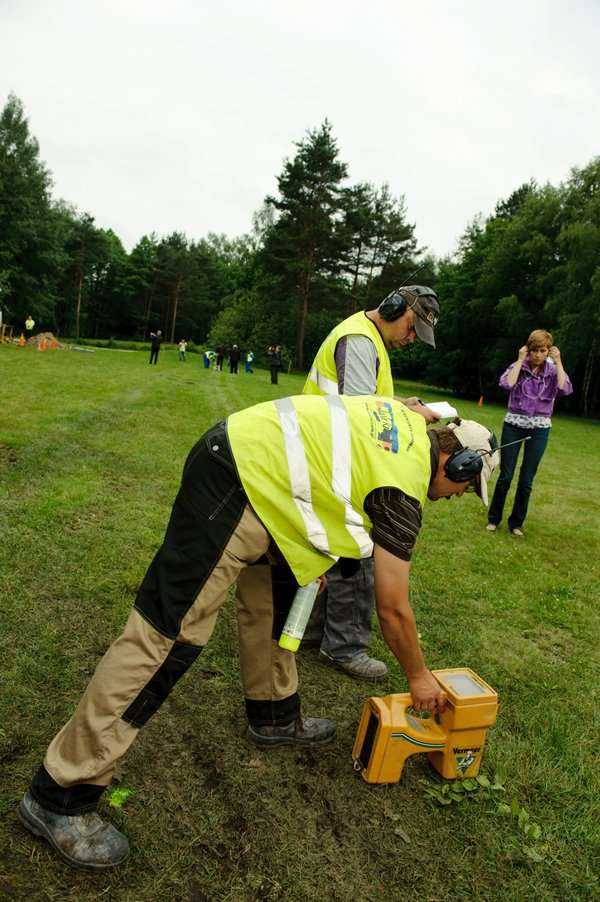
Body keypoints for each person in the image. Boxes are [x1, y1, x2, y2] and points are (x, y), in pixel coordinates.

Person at [19, 396, 497, 869]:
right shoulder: (404, 488)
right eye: (467, 486)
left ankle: (273, 713)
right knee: (165, 639)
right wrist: (418, 676)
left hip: (263, 485)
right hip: (235, 479)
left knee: (275, 594)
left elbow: (347, 454)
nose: (459, 498)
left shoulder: (408, 421)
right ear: (456, 463)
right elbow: (393, 608)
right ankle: (61, 793)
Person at [297, 285, 441, 680]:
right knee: (359, 550)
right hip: (336, 457)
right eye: (413, 329)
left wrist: (402, 406)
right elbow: (359, 415)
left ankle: (312, 632)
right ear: (396, 308)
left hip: (331, 454)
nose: (411, 340)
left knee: (329, 546)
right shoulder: (361, 341)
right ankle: (344, 646)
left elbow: (367, 404)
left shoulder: (367, 338)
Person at [487, 330, 572, 536]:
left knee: (526, 480)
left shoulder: (552, 371)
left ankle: (516, 523)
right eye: (534, 350)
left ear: (548, 351)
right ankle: (494, 519)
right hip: (514, 425)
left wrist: (559, 362)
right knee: (506, 476)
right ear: (528, 350)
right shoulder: (519, 366)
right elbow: (506, 383)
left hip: (539, 428)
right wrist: (519, 359)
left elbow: (565, 389)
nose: (537, 355)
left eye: (542, 350)